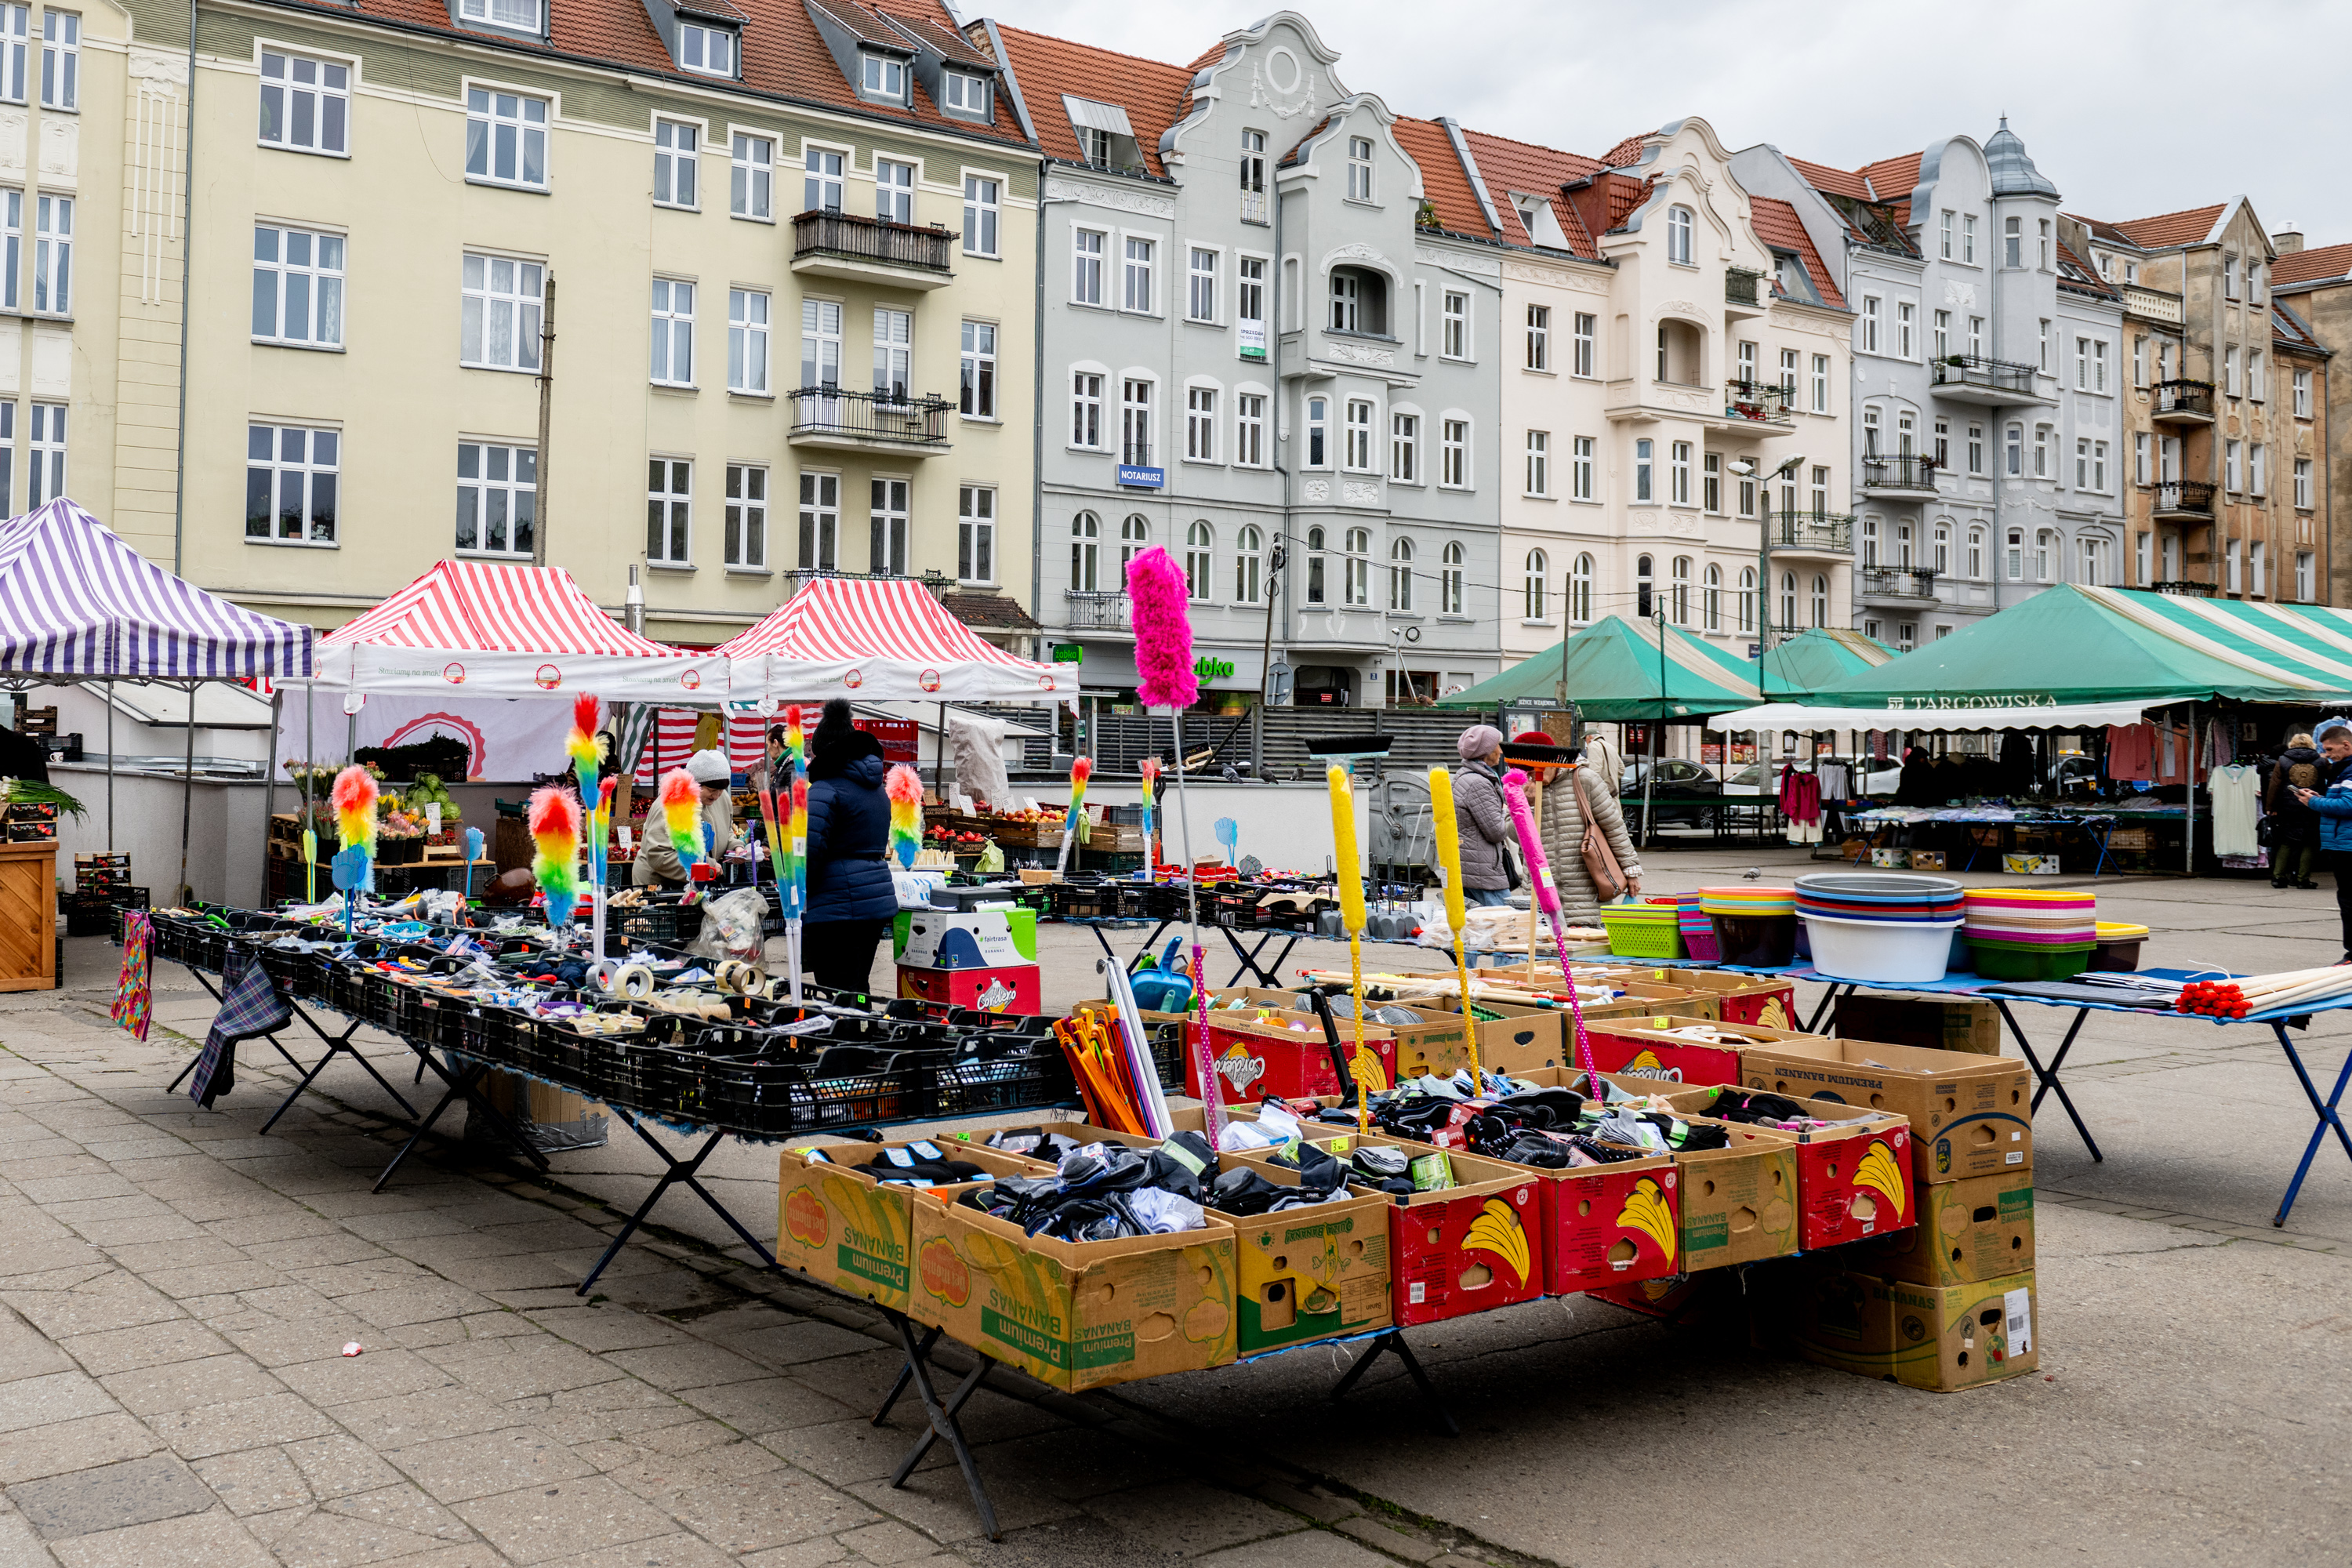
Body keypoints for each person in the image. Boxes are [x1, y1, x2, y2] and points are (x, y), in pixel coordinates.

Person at [803, 699, 896, 993]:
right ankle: (868, 1036)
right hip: (876, 897)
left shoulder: (825, 789)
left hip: (837, 905)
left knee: (836, 989)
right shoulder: (877, 789)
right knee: (858, 984)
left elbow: (811, 851)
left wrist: (797, 887)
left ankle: (845, 1037)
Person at [1540, 739, 1642, 927]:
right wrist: (1526, 806)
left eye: (1537, 770)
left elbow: (1613, 826)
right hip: (1544, 893)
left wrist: (1630, 870)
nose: (1533, 776)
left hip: (1586, 890)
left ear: (1552, 761)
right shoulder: (1526, 787)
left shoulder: (1585, 779)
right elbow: (1514, 835)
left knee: (1582, 948)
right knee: (1546, 951)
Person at [2290, 720, 2352, 960]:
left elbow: (2348, 805)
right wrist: (2320, 797)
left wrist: (2314, 802)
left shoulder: (2349, 770)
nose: (2326, 755)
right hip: (2342, 842)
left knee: (2348, 901)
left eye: (2329, 750)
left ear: (2346, 745)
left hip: (2347, 844)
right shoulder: (2343, 770)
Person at [633, 747, 736, 888]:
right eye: (712, 790)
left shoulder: (721, 799)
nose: (717, 796)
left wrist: (735, 847)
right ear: (694, 784)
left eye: (721, 790)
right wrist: (706, 865)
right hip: (659, 885)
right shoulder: (670, 805)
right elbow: (659, 856)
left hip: (697, 882)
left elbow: (726, 829)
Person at [1449, 725, 1515, 909]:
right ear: (1486, 751)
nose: (1501, 750)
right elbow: (1496, 832)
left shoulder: (1465, 776)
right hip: (1483, 872)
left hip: (1472, 866)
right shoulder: (1479, 783)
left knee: (1478, 929)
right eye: (1497, 745)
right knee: (1504, 925)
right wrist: (1507, 808)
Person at [2269, 731, 2323, 891]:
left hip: (2288, 807)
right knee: (2309, 843)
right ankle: (2302, 879)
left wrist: (2270, 807)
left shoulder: (2283, 760)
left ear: (2292, 743)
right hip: (2312, 804)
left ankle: (2278, 877)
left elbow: (2275, 785)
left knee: (2286, 842)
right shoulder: (2321, 761)